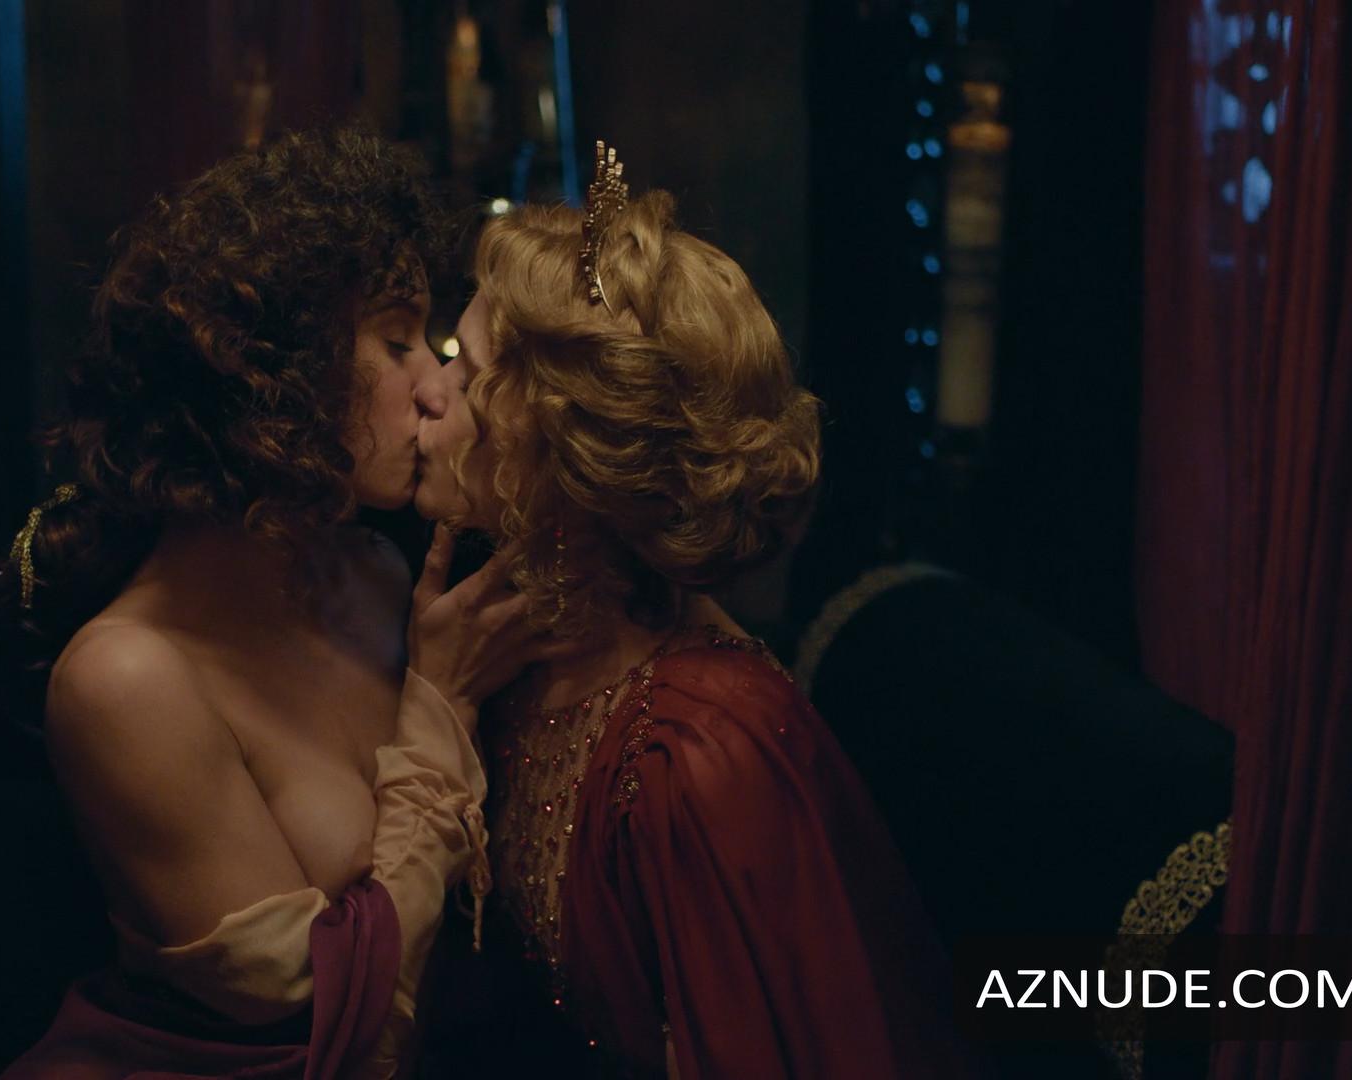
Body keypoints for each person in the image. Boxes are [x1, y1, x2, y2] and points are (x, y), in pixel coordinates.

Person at [0, 128, 557, 1079]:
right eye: (397, 340)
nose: (435, 385)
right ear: (271, 368)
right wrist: (440, 709)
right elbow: (320, 1024)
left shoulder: (377, 572)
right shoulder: (126, 679)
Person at [409, 144, 982, 1078]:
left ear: (553, 445)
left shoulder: (694, 756)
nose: (425, 394)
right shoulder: (527, 644)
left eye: (463, 372)